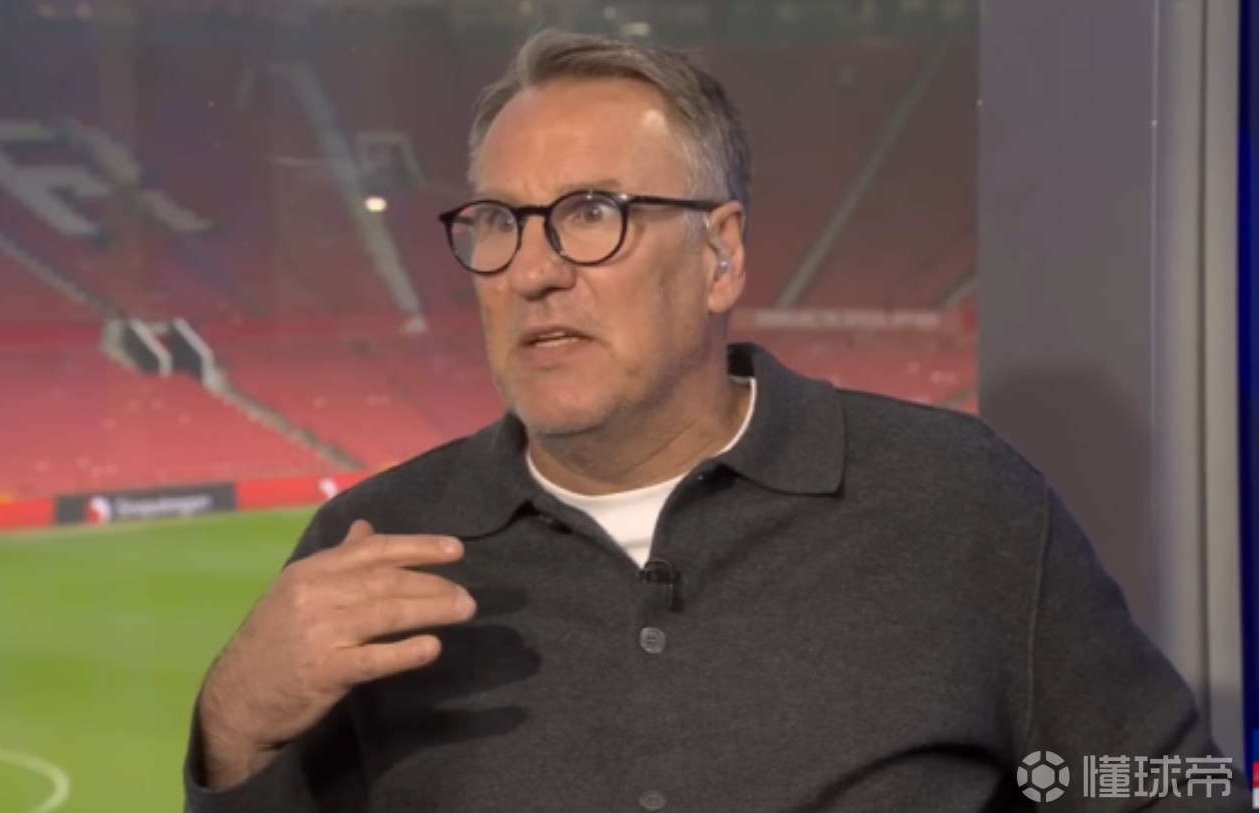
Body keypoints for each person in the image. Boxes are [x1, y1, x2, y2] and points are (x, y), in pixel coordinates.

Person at [183, 29, 1247, 812]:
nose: (533, 271)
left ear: (722, 254)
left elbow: (1168, 784)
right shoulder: (369, 544)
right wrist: (233, 726)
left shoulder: (956, 497)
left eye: (592, 214)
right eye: (499, 222)